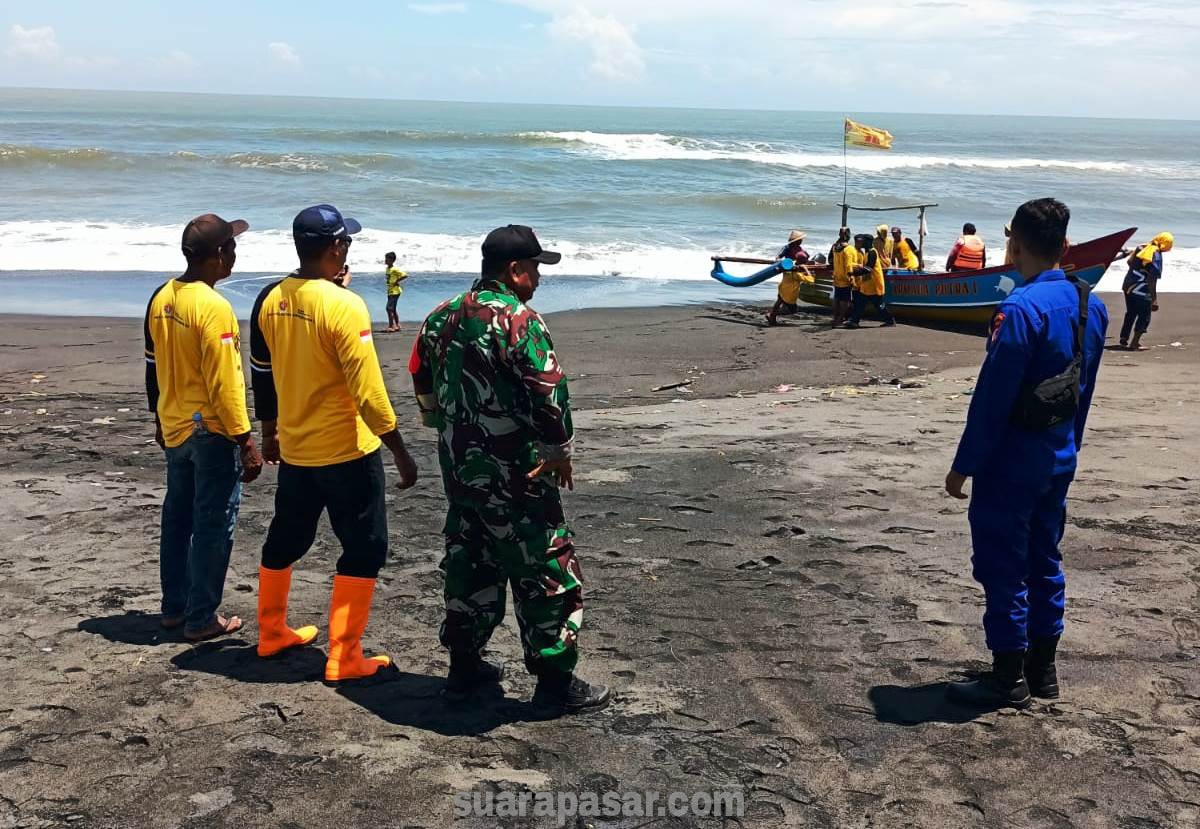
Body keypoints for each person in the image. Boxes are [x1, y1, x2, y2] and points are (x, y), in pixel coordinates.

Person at [410, 224, 610, 714]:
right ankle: (553, 684)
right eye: (536, 269)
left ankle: (464, 669)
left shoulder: (440, 316)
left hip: (460, 471)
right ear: (515, 271)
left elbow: (421, 376)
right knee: (545, 566)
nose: (539, 279)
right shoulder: (520, 321)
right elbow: (548, 390)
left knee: (469, 561)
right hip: (518, 474)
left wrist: (443, 423)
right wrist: (558, 450)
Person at [944, 198, 1109, 708]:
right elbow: (1083, 389)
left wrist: (963, 464)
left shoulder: (1018, 309)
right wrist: (1071, 447)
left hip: (1011, 460)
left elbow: (993, 397)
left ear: (1014, 244)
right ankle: (1044, 669)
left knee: (1001, 562)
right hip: (1058, 455)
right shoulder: (1090, 305)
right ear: (1065, 246)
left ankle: (1007, 675)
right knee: (1045, 557)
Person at [249, 203, 419, 682]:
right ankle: (344, 655)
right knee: (365, 548)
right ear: (336, 247)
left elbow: (262, 372)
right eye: (347, 242)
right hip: (348, 450)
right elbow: (368, 390)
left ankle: (272, 631)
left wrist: (270, 431)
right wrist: (401, 451)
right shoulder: (346, 306)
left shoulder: (270, 298)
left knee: (286, 538)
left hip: (298, 449)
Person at [144, 213, 264, 642]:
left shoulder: (163, 297)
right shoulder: (214, 308)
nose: (235, 255)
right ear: (217, 255)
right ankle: (201, 617)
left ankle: (174, 607)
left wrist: (158, 416)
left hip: (176, 425)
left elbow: (153, 366)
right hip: (211, 430)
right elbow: (225, 383)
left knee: (178, 517)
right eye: (231, 248)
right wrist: (245, 439)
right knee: (214, 521)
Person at [1120, 232, 1173, 350]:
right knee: (1145, 315)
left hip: (1128, 285)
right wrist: (1154, 299)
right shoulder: (1156, 254)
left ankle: (1124, 339)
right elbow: (1152, 278)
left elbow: (1129, 262)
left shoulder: (1141, 247)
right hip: (1141, 290)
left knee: (1131, 312)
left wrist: (1137, 270)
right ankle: (1134, 343)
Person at [845, 233, 895, 329]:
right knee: (860, 303)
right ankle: (854, 321)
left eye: (863, 241)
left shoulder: (872, 252)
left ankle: (890, 320)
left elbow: (868, 269)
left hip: (874, 284)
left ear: (868, 242)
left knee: (879, 305)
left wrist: (854, 273)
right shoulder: (867, 252)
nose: (861, 242)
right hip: (867, 284)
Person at [765, 230, 813, 326]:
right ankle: (772, 315)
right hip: (790, 272)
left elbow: (803, 258)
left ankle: (772, 317)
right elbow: (778, 258)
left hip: (794, 273)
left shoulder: (799, 248)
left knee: (781, 298)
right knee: (783, 298)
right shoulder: (787, 248)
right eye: (800, 239)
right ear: (795, 240)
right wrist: (786, 264)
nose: (801, 241)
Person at [828, 226, 857, 327]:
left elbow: (831, 261)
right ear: (848, 236)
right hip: (845, 278)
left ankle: (835, 318)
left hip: (837, 276)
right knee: (845, 300)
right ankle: (839, 320)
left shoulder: (835, 247)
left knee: (837, 299)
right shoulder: (849, 249)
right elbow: (849, 265)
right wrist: (851, 278)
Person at [384, 252, 407, 332]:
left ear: (391, 260)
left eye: (386, 259)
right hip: (390, 291)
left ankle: (391, 326)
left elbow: (404, 275)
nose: (385, 260)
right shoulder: (388, 269)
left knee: (388, 308)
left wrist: (397, 281)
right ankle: (397, 325)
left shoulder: (394, 269)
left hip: (395, 291)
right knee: (392, 309)